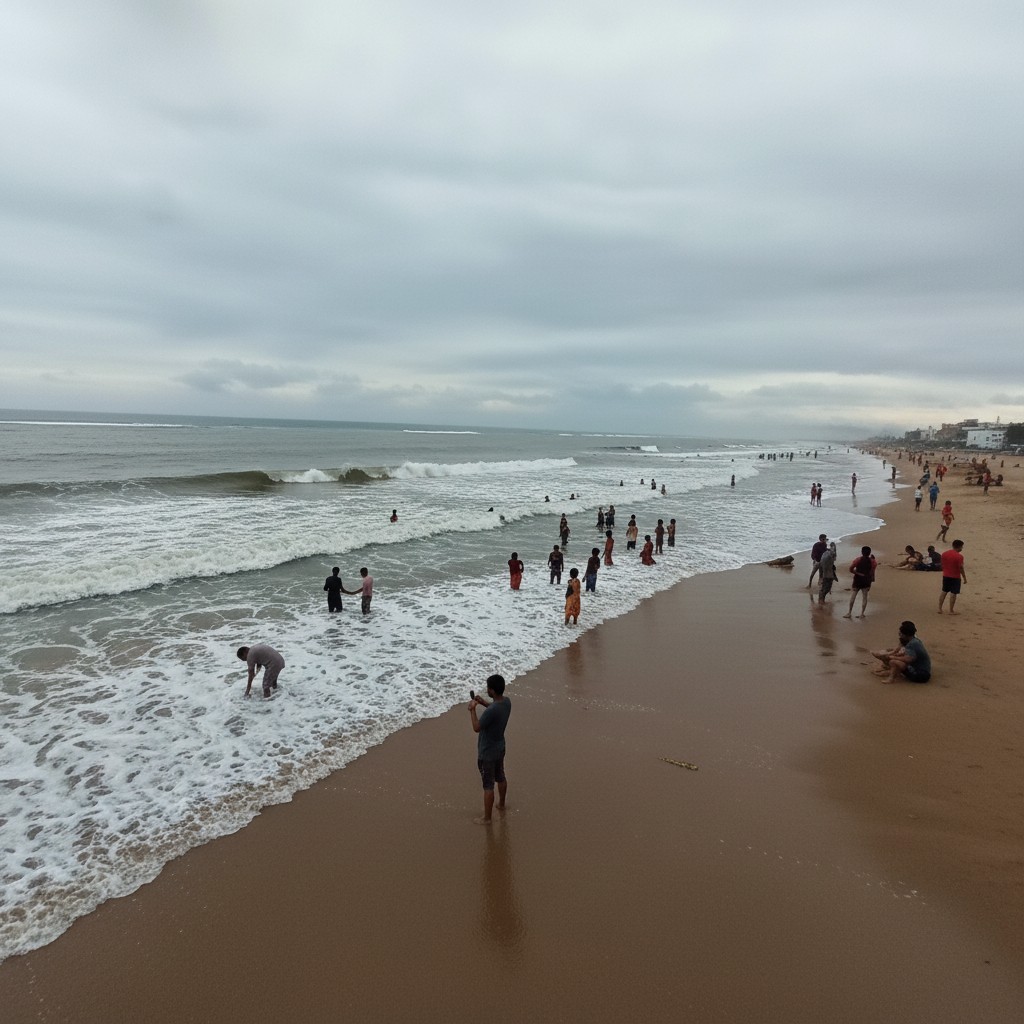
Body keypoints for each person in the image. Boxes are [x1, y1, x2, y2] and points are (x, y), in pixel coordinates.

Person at [468, 674, 511, 825]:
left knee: (488, 785)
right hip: (500, 747)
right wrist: (483, 702)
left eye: (488, 688)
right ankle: (501, 804)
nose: (487, 689)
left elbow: (476, 727)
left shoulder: (491, 711)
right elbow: (494, 708)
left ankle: (487, 818)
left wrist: (472, 710)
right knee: (501, 776)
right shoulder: (506, 702)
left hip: (487, 752)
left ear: (492, 690)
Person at [843, 545, 876, 618]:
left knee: (853, 596)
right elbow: (872, 573)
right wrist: (871, 581)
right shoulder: (873, 561)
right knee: (865, 597)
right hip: (867, 580)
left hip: (858, 580)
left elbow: (851, 569)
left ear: (862, 552)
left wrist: (858, 573)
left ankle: (849, 613)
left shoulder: (858, 560)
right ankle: (862, 614)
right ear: (869, 553)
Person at [938, 539, 967, 614]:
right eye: (962, 547)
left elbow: (942, 564)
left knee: (944, 591)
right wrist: (964, 577)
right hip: (955, 576)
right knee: (953, 593)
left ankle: (940, 608)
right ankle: (951, 610)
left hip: (946, 575)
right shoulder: (959, 556)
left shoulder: (944, 554)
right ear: (959, 547)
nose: (962, 548)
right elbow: (961, 568)